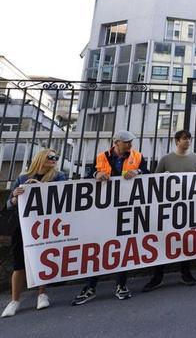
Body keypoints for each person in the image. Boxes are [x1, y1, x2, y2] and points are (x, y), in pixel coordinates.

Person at [73, 131, 147, 306]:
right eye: (126, 142)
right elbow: (89, 175)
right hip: (103, 209)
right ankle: (90, 287)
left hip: (125, 206)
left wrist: (137, 171)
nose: (129, 145)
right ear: (116, 142)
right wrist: (96, 175)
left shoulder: (137, 156)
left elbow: (146, 172)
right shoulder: (101, 157)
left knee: (122, 246)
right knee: (98, 247)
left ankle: (121, 285)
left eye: (130, 142)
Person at [1, 149, 67, 317]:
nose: (53, 160)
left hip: (45, 224)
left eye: (55, 157)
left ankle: (42, 293)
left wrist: (40, 188)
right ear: (40, 158)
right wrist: (15, 198)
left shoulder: (58, 176)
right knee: (19, 262)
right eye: (50, 157)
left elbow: (62, 196)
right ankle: (15, 300)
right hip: (22, 225)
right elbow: (9, 204)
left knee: (42, 258)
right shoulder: (22, 178)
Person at [142, 130, 196, 292]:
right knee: (163, 239)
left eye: (189, 138)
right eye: (184, 138)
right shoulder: (166, 159)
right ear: (176, 141)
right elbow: (153, 182)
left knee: (186, 239)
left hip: (188, 205)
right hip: (168, 207)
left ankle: (186, 272)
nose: (188, 141)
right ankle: (158, 275)